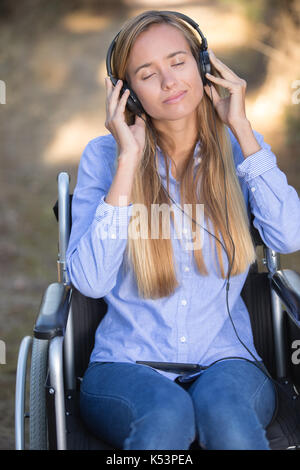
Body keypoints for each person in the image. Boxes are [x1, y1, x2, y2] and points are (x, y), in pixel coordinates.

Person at [66, 10, 300, 450]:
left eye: (178, 62)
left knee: (228, 416)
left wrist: (243, 128)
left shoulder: (238, 147)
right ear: (127, 94)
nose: (170, 82)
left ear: (203, 65)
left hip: (226, 360)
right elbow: (90, 281)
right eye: (147, 74)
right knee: (167, 418)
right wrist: (128, 160)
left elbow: (290, 236)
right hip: (125, 364)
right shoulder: (104, 157)